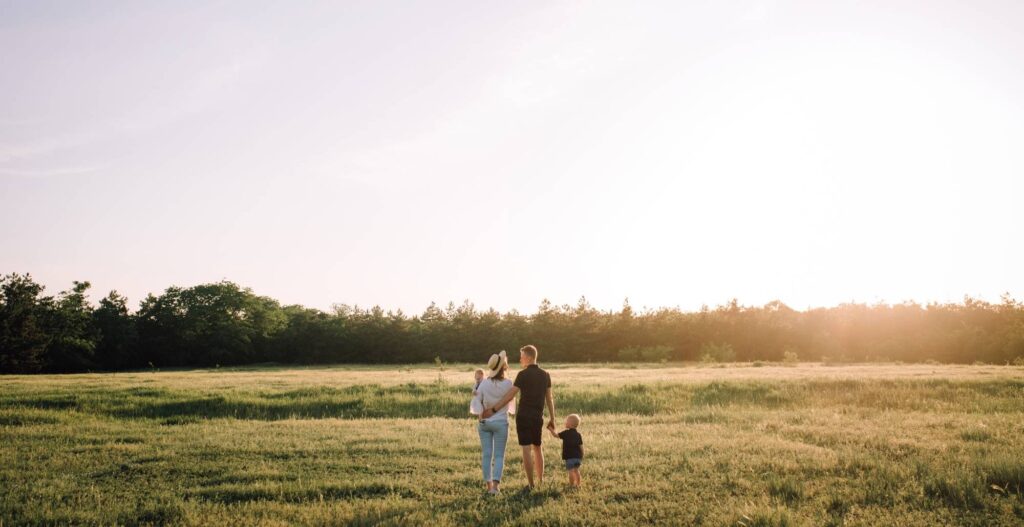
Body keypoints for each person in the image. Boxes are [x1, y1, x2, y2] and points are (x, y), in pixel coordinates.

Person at [482, 344, 555, 489]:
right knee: (538, 447)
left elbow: (510, 396)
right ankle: (541, 481)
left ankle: (531, 484)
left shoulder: (523, 374)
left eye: (522, 357)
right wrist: (552, 418)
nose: (520, 360)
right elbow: (549, 398)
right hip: (537, 416)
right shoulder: (545, 374)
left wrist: (494, 409)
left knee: (526, 449)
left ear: (528, 357)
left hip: (523, 416)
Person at [475, 351, 515, 494]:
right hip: (501, 423)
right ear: (503, 366)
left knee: (486, 454)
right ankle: (496, 487)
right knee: (499, 455)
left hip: (484, 423)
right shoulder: (509, 383)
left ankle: (488, 486)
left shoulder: (484, 383)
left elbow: (476, 403)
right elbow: (511, 406)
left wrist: (480, 415)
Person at [549, 413, 583, 488]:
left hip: (569, 457)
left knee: (571, 471)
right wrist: (582, 455)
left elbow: (556, 435)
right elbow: (581, 446)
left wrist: (551, 429)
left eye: (566, 421)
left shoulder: (566, 433)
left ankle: (571, 485)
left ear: (570, 424)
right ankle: (578, 484)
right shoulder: (578, 434)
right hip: (577, 457)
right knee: (576, 471)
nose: (565, 422)